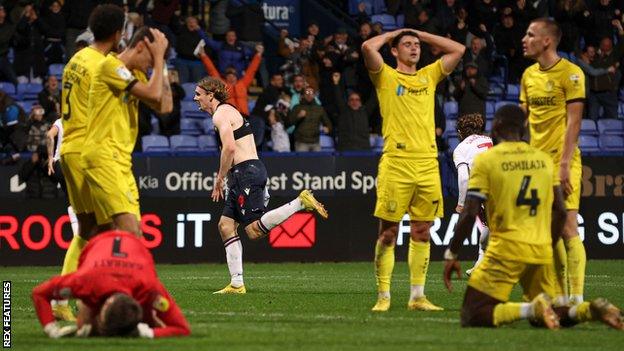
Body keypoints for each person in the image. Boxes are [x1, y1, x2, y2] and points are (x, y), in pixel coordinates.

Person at [443, 104, 623, 330]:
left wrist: (452, 253)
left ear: (496, 127)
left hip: (505, 248)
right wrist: (548, 243)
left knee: (472, 314)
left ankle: (530, 308)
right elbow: (559, 210)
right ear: (524, 128)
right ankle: (588, 309)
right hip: (539, 248)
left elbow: (470, 212)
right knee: (552, 314)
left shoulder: (486, 161)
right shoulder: (544, 160)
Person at [361, 28, 465, 312]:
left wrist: (421, 34)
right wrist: (394, 33)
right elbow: (368, 47)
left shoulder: (428, 75)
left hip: (428, 163)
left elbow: (458, 49)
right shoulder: (385, 76)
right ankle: (383, 295)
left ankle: (417, 296)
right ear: (394, 51)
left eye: (416, 45)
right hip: (397, 162)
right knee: (388, 234)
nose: (414, 48)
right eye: (407, 45)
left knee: (422, 231)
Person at [193, 77, 328, 294]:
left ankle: (300, 203)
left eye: (199, 94)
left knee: (254, 231)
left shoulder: (220, 114)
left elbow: (228, 148)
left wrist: (219, 178)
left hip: (246, 172)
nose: (195, 98)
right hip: (242, 174)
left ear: (211, 95)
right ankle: (237, 284)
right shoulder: (227, 111)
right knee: (225, 226)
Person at [57, 4, 126, 321]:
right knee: (117, 227)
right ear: (117, 33)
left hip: (68, 149)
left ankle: (61, 300)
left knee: (86, 229)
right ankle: (106, 300)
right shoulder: (103, 63)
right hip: (89, 151)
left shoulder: (75, 60)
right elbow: (147, 94)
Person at [81, 27, 172, 237]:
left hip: (121, 160)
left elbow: (165, 106)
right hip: (103, 156)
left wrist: (162, 63)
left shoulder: (136, 74)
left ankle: (94, 269)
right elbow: (153, 92)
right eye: (151, 57)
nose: (151, 64)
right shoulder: (110, 66)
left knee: (115, 233)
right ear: (140, 46)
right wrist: (158, 58)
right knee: (131, 233)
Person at [520, 18, 586, 306]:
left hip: (563, 162)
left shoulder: (571, 74)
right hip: (536, 166)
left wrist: (564, 165)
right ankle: (560, 297)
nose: (524, 38)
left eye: (531, 34)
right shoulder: (527, 76)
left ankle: (576, 298)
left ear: (547, 41)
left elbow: (574, 122)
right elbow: (525, 121)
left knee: (568, 227)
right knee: (549, 233)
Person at [32, 230, 191, 338]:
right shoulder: (86, 281)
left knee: (89, 326)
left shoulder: (148, 288)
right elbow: (181, 328)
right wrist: (149, 333)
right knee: (88, 324)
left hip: (130, 252)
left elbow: (39, 293)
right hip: (100, 245)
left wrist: (52, 330)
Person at [452, 113, 492, 276]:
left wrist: (461, 203)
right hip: (503, 182)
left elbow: (463, 177)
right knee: (491, 226)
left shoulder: (460, 149)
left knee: (493, 227)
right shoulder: (488, 139)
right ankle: (480, 264)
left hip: (487, 189)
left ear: (461, 132)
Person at [287, 85, 332, 152]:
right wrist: (298, 117)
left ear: (314, 95)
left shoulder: (319, 108)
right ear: (303, 95)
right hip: (301, 142)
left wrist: (328, 128)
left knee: (317, 162)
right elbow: (288, 123)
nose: (309, 95)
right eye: (307, 93)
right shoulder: (297, 107)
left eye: (311, 93)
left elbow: (328, 123)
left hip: (315, 142)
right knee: (302, 162)